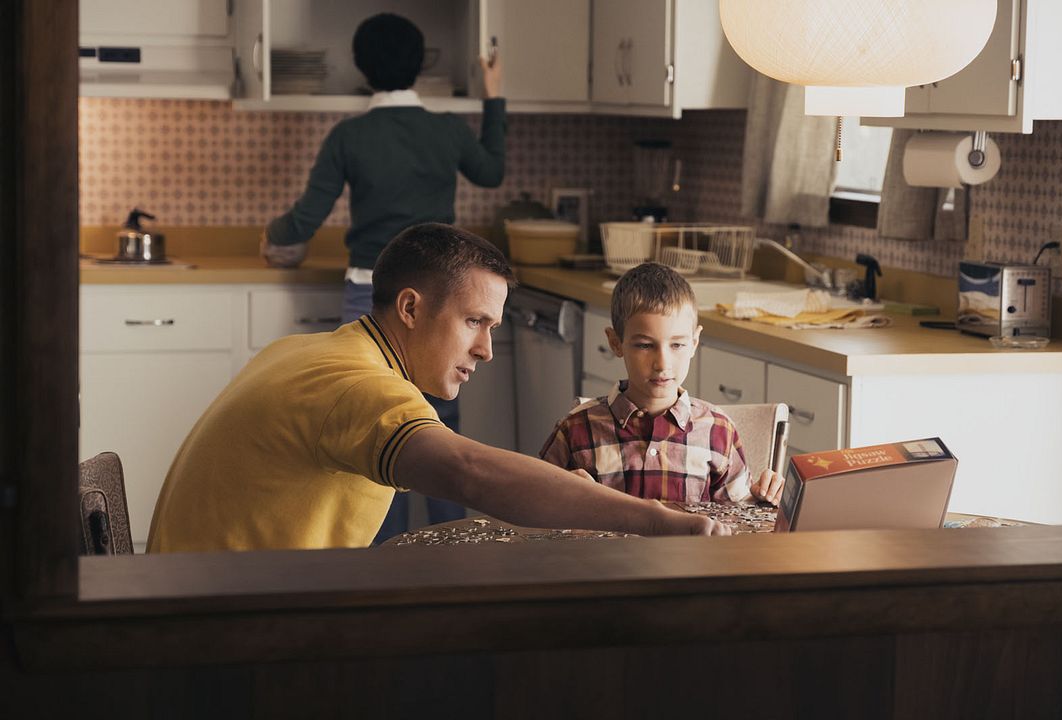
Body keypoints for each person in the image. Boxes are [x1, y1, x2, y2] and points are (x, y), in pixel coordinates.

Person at [146, 225, 728, 552]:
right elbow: (468, 473)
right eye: (474, 322)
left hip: (201, 605)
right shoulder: (358, 386)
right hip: (219, 639)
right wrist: (659, 521)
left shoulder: (305, 351)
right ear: (410, 308)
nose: (486, 349)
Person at [261, 13, 507, 541]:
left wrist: (271, 234)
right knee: (440, 432)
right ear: (421, 66)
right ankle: (452, 549)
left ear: (361, 68)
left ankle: (381, 554)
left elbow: (303, 220)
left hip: (370, 296)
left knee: (376, 435)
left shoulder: (350, 136)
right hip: (443, 298)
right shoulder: (445, 131)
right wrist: (493, 95)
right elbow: (492, 171)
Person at [540, 262, 785, 505]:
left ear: (695, 342)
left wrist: (762, 500)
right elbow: (533, 507)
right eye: (645, 345)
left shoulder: (718, 430)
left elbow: (738, 521)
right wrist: (558, 497)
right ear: (616, 343)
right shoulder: (575, 429)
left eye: (677, 345)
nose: (662, 363)